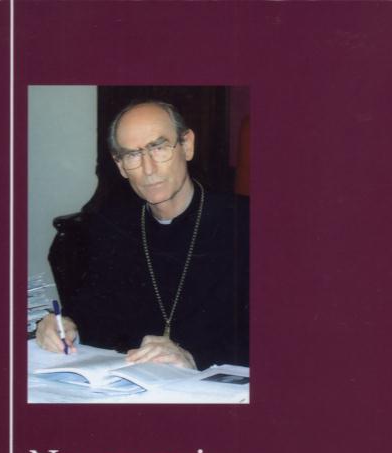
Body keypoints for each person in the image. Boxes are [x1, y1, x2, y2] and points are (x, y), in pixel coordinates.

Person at [36, 100, 249, 370]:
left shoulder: (249, 224)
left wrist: (195, 358)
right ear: (120, 165)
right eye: (133, 155)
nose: (149, 169)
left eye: (159, 148)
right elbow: (92, 316)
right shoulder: (112, 227)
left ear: (187, 145)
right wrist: (63, 327)